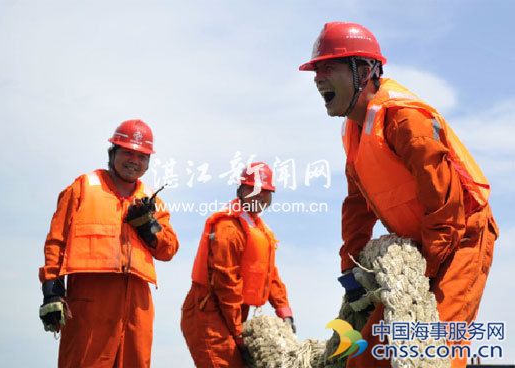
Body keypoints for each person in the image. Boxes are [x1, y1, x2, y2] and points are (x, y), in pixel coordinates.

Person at [299, 22, 498, 368]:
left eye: (328, 67)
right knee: (366, 359)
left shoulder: (405, 121)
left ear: (364, 70)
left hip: (461, 238)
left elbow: (445, 202)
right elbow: (357, 207)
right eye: (316, 69)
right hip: (423, 245)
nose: (318, 77)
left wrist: (424, 270)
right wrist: (352, 270)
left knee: (433, 350)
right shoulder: (355, 134)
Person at [38, 119, 179, 368]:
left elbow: (168, 249)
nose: (134, 160)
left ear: (148, 162)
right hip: (91, 297)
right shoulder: (83, 187)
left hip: (137, 303)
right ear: (112, 152)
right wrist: (52, 293)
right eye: (127, 152)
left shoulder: (149, 200)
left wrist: (148, 228)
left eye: (141, 156)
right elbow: (56, 241)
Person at [181, 162, 295, 367]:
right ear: (241, 191)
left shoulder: (259, 229)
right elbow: (226, 284)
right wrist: (239, 332)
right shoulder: (228, 228)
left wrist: (284, 311)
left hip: (233, 313)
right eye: (254, 189)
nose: (260, 195)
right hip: (208, 312)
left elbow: (270, 274)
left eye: (266, 191)